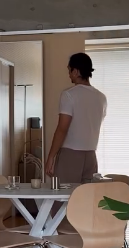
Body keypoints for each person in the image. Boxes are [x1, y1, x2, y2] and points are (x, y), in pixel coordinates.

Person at [45, 52, 107, 183]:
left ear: (76, 71)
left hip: (70, 155)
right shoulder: (101, 98)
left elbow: (62, 129)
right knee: (86, 194)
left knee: (64, 194)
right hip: (91, 156)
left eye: (70, 70)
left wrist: (51, 157)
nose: (69, 75)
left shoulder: (69, 95)